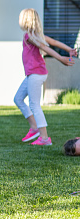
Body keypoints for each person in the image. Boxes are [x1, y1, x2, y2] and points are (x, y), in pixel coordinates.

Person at [14, 8, 77, 146]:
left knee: (34, 104)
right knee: (18, 99)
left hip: (36, 74)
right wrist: (69, 49)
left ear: (25, 20)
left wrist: (61, 58)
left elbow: (47, 47)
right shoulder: (36, 35)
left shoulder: (29, 36)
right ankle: (34, 127)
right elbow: (53, 42)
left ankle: (44, 138)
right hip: (34, 74)